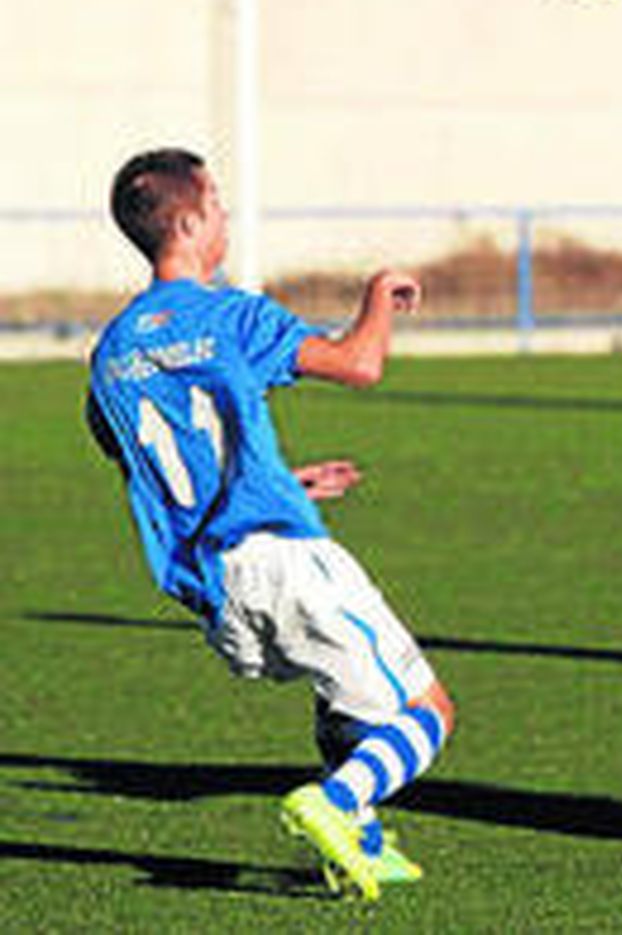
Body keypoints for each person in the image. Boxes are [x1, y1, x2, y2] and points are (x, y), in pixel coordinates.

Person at [85, 148, 455, 901]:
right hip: (283, 558)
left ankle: (365, 843)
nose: (224, 217)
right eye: (216, 204)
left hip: (215, 589)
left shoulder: (110, 355)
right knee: (429, 711)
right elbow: (360, 362)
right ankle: (338, 803)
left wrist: (281, 481)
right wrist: (380, 295)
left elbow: (151, 460)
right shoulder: (229, 315)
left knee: (340, 689)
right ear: (189, 221)